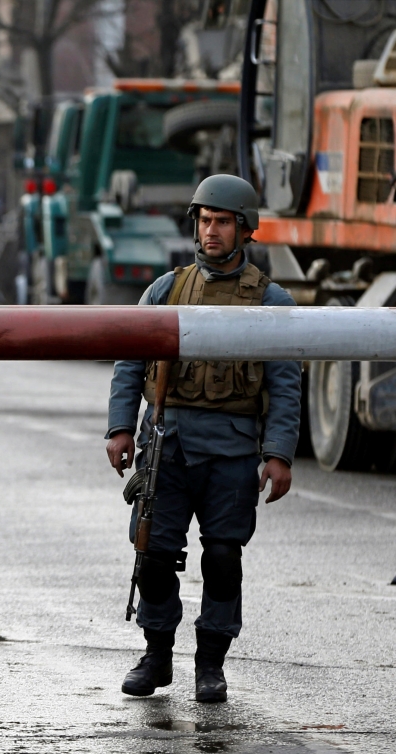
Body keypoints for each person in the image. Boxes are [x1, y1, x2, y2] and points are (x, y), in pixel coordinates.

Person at [105, 174, 301, 703]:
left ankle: (211, 663)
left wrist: (278, 453)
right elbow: (130, 359)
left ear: (244, 230)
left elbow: (285, 384)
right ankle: (157, 654)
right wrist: (121, 427)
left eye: (222, 222)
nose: (211, 231)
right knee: (151, 555)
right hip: (166, 446)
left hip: (233, 451)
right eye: (204, 221)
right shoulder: (166, 289)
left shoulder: (270, 300)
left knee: (221, 558)